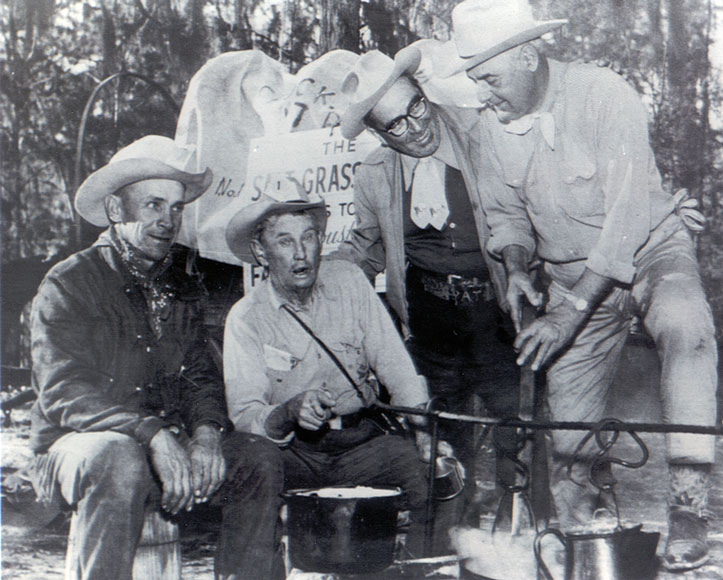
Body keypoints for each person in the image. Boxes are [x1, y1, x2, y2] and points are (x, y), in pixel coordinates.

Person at [444, 0, 718, 571]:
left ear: (526, 54)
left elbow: (623, 223)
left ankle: (689, 506)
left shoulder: (604, 94)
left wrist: (567, 313)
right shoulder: (489, 128)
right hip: (569, 279)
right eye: (474, 81)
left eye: (488, 78)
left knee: (685, 324)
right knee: (567, 434)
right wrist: (518, 266)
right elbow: (506, 217)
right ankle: (594, 530)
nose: (484, 94)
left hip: (647, 251)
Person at [28, 136, 267, 580]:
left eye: (176, 209)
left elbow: (200, 374)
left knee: (257, 460)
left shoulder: (181, 285)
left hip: (163, 444)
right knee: (119, 459)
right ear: (117, 211)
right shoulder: (69, 283)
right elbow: (64, 393)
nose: (167, 221)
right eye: (154, 206)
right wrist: (153, 434)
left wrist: (207, 434)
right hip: (75, 449)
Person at [337, 47, 521, 519]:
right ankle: (452, 550)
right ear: (377, 133)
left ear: (424, 93)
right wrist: (322, 280)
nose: (415, 127)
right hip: (432, 322)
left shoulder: (483, 133)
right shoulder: (375, 175)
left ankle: (522, 541)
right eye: (395, 125)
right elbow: (365, 249)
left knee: (519, 444)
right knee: (441, 450)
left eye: (415, 107)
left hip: (501, 316)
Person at [222, 178, 442, 565]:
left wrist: (426, 435)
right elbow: (245, 415)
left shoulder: (350, 282)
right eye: (285, 241)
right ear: (260, 250)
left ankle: (421, 571)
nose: (301, 254)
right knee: (254, 463)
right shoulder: (246, 318)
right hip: (294, 453)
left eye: (309, 237)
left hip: (359, 443)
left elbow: (395, 366)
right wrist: (289, 411)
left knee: (430, 476)